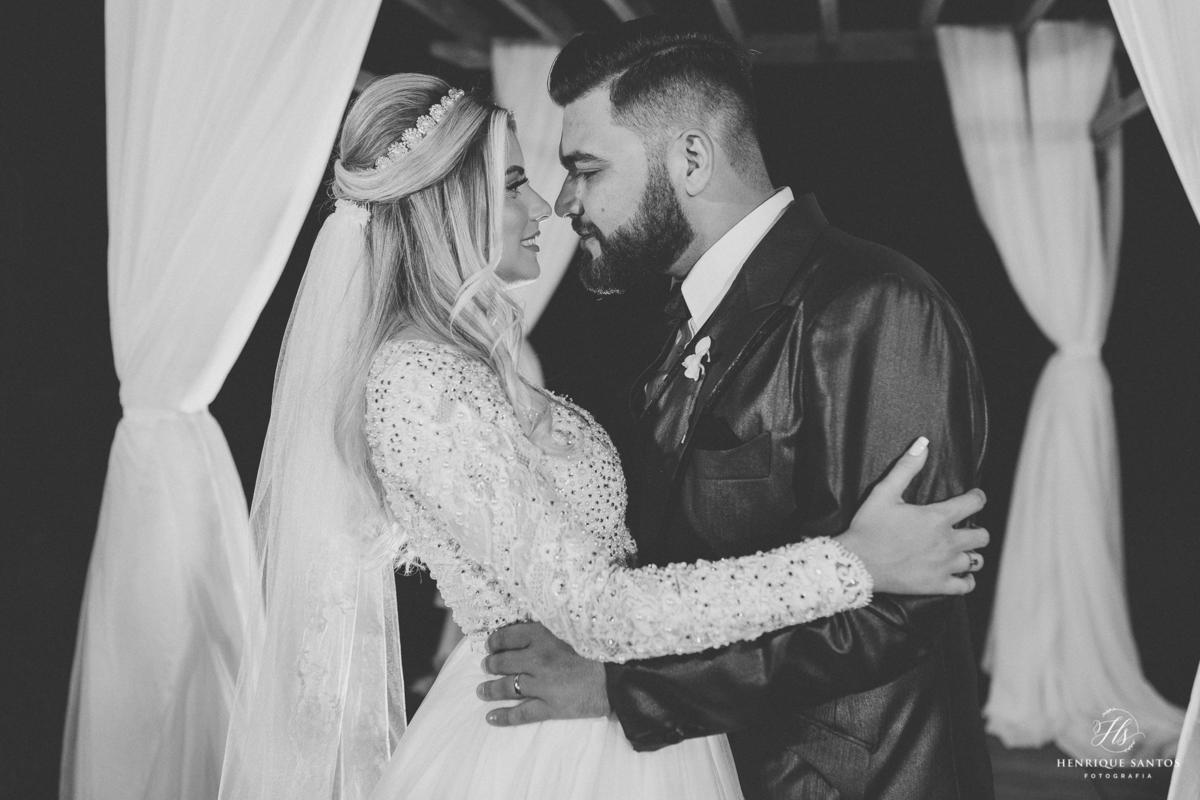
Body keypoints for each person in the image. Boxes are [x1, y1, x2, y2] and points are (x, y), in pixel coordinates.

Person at [217, 73, 987, 800]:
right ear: (446, 203)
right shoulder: (419, 384)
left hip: (617, 720)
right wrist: (852, 562)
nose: (548, 206)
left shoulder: (473, 365)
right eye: (514, 183)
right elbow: (599, 609)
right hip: (548, 737)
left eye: (579, 170)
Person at [477, 19, 995, 800]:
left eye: (586, 169)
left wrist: (620, 690)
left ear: (691, 158)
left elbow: (897, 609)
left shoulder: (872, 306)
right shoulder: (685, 320)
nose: (566, 201)